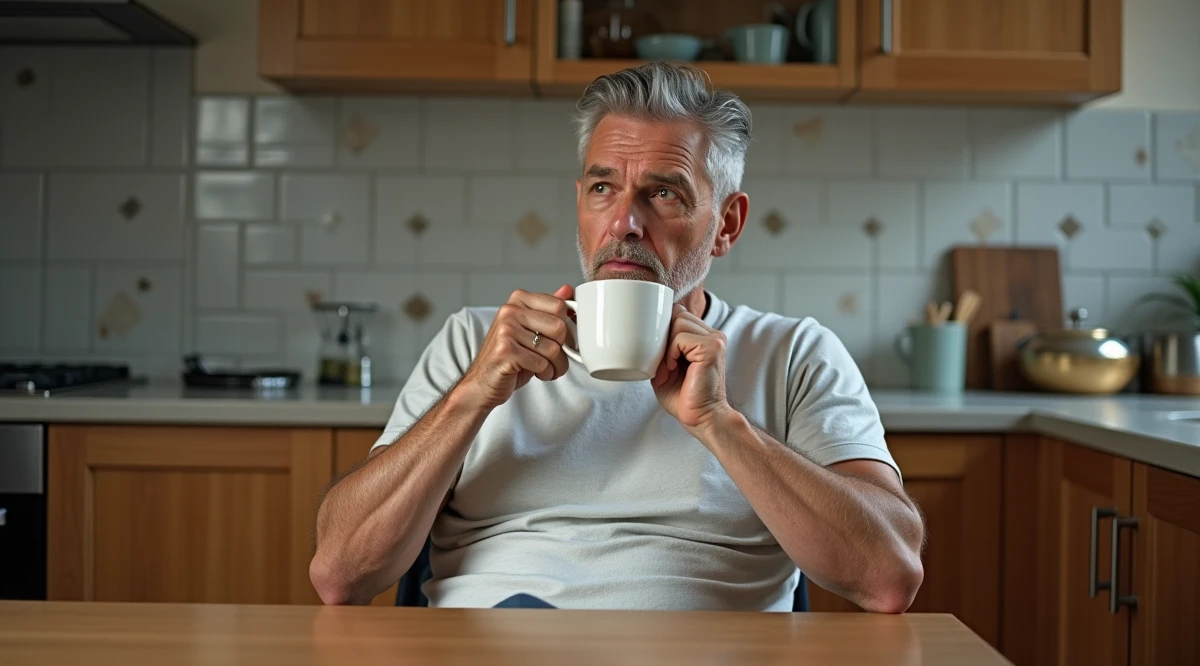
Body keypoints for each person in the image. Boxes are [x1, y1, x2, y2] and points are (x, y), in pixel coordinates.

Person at [310, 62, 925, 612]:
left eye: (663, 192)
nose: (624, 223)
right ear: (580, 202)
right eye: (604, 188)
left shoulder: (795, 354)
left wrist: (719, 422)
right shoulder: (476, 343)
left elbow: (889, 576)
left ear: (726, 225)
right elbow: (340, 575)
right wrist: (472, 396)